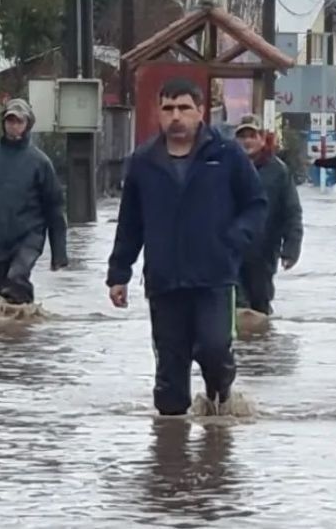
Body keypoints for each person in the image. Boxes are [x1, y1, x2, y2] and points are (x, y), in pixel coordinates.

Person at [105, 78, 267, 416]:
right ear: (158, 113)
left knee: (214, 348)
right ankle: (170, 451)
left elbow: (256, 204)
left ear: (200, 111)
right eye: (168, 109)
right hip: (165, 280)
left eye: (183, 108)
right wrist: (119, 273)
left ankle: (219, 396)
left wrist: (234, 239)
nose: (176, 116)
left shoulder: (226, 154)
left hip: (214, 277)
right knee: (169, 372)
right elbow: (130, 222)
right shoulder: (143, 161)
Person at [0, 98, 68, 305]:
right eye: (10, 121)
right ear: (3, 123)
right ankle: (9, 333)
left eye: (19, 121)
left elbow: (54, 209)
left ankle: (27, 325)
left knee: (15, 280)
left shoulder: (40, 163)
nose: (14, 126)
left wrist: (59, 253)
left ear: (27, 124)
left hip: (27, 238)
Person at [233, 113, 304, 315]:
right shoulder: (225, 167)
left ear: (262, 139)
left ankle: (262, 343)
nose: (247, 141)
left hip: (264, 250)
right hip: (231, 247)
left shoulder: (278, 171)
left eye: (252, 136)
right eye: (242, 136)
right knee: (236, 304)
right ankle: (242, 346)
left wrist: (291, 248)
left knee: (260, 303)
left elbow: (292, 212)